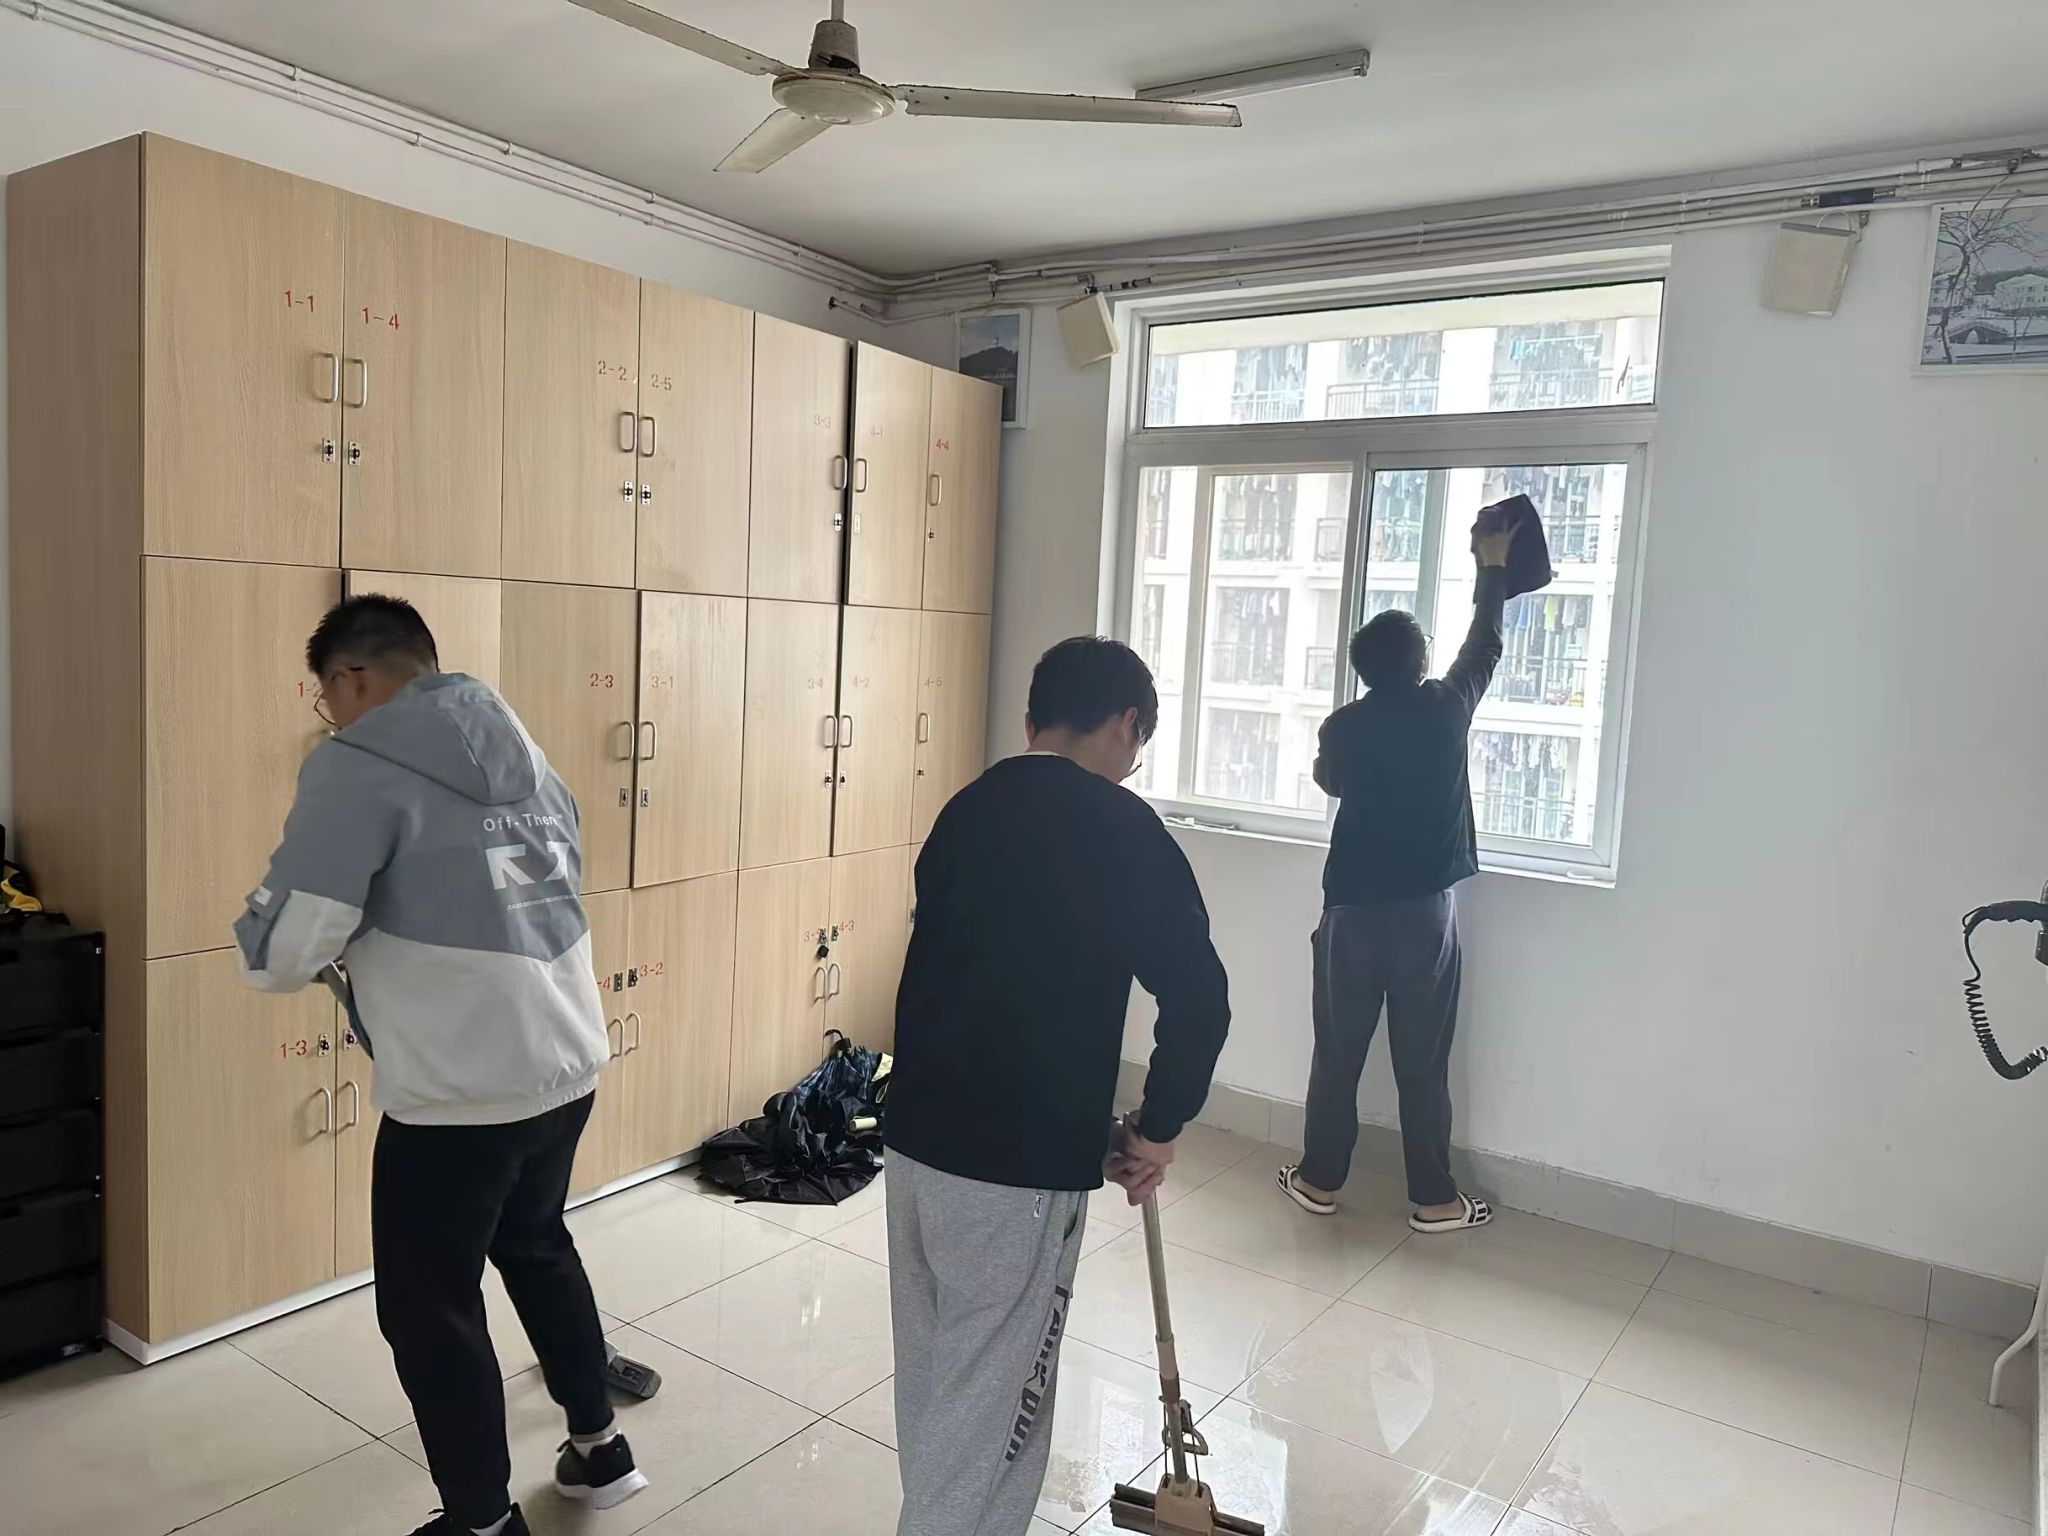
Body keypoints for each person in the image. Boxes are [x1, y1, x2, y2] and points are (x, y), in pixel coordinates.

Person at [233, 596, 644, 1536]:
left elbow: (285, 950)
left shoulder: (354, 765)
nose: (329, 716)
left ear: (351, 679)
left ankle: (482, 1521)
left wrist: (270, 937)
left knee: (430, 1309)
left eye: (327, 696)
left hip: (460, 1092)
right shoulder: (525, 751)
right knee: (536, 1244)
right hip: (566, 1058)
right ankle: (599, 1449)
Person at [884, 637, 1232, 1536]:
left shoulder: (967, 808)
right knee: (992, 1416)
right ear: (1126, 723)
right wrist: (1157, 1129)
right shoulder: (1122, 829)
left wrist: (1099, 1128)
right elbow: (1199, 999)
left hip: (916, 1145)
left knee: (939, 1388)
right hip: (1016, 1174)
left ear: (1033, 717)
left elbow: (973, 982)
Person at [1277, 521, 1517, 1233]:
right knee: (1422, 1060)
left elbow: (1329, 781)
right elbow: (1486, 645)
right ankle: (1435, 1201)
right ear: (1420, 662)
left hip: (1350, 912)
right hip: (1424, 916)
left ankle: (1318, 1181)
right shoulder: (1445, 709)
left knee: (1337, 1054)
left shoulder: (1342, 726)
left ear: (1362, 670)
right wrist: (1492, 568)